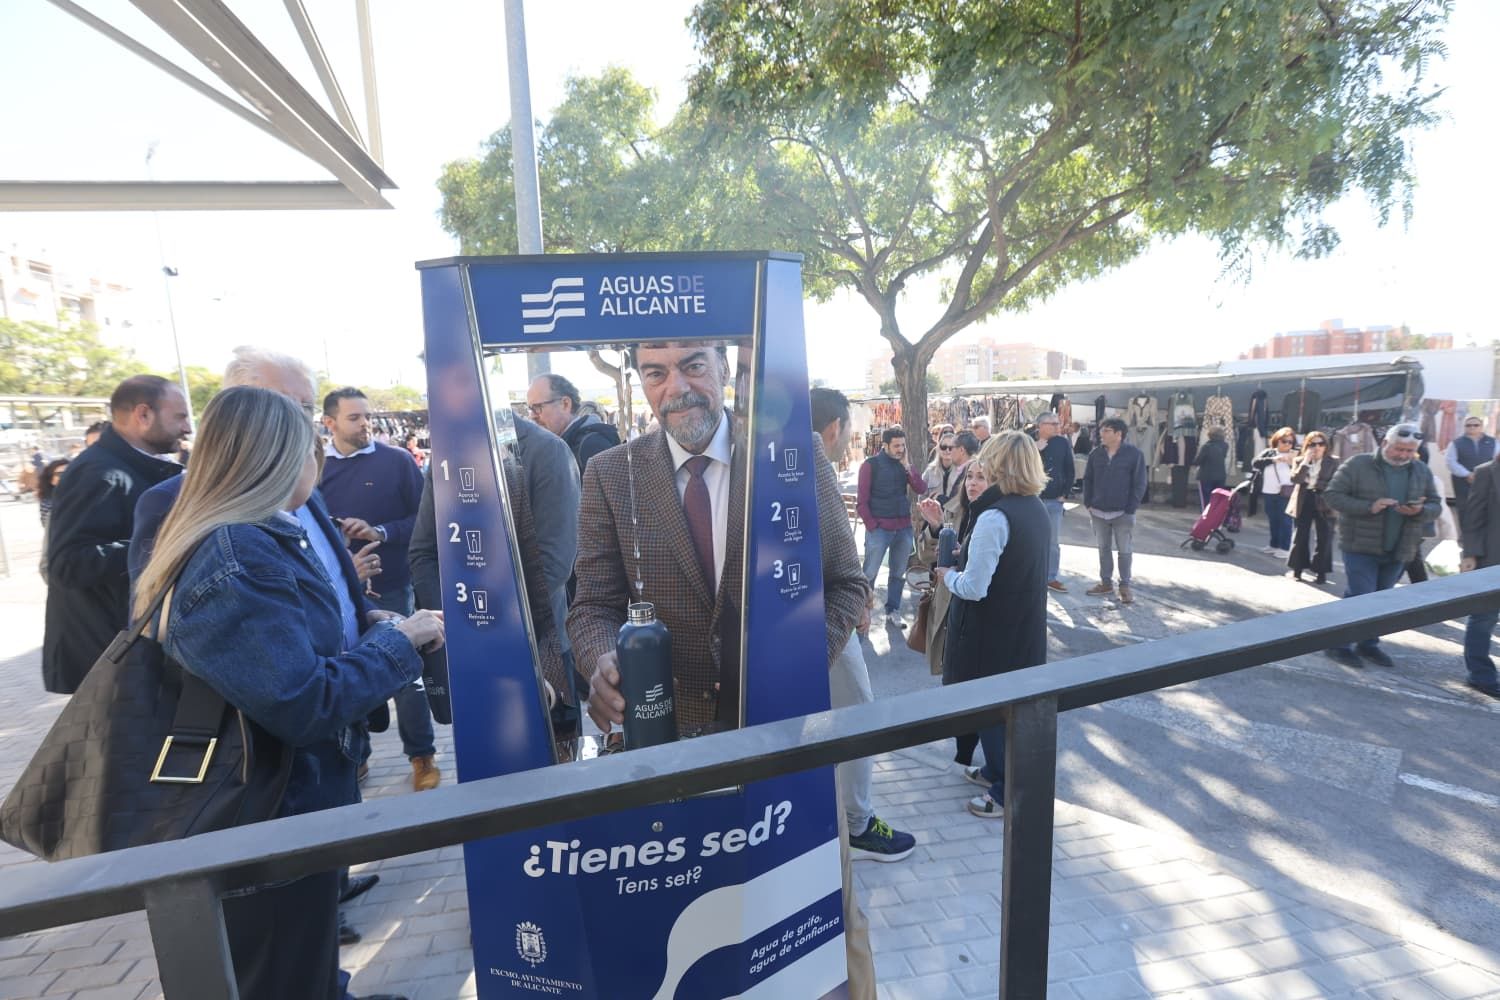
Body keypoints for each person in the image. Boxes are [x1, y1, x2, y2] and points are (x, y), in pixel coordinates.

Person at [572, 343, 876, 997]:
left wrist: (791, 671)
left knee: (819, 931)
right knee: (687, 941)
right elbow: (591, 605)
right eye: (656, 373)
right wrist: (601, 659)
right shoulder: (607, 473)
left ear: (726, 368)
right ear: (640, 383)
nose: (676, 387)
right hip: (668, 756)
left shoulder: (791, 460)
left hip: (787, 745)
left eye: (693, 366)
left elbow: (847, 586)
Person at [131, 386, 440, 1000]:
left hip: (286, 799)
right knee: (283, 965)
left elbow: (289, 647)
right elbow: (302, 701)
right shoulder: (236, 549)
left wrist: (364, 626)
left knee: (304, 953)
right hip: (269, 805)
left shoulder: (250, 533)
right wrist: (400, 643)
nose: (321, 462)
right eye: (313, 447)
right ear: (275, 457)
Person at [809, 387, 915, 863]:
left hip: (809, 612)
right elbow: (837, 554)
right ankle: (855, 822)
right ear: (834, 428)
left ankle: (838, 815)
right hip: (823, 614)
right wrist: (857, 602)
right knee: (857, 711)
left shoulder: (771, 462)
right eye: (848, 428)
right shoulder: (813, 467)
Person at [319, 387, 437, 792]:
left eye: (367, 416)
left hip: (392, 587)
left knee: (405, 673)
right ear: (329, 423)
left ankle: (422, 755)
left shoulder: (398, 462)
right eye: (354, 417)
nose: (365, 423)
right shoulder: (315, 468)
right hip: (337, 593)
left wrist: (380, 532)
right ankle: (358, 757)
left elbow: (425, 520)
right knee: (346, 670)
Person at [42, 375, 189, 694]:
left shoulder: (132, 468)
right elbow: (68, 564)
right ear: (143, 415)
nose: (188, 427)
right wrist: (165, 543)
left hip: (123, 650)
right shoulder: (100, 474)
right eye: (180, 416)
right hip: (107, 656)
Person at [935, 433, 1050, 818]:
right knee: (1004, 713)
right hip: (1022, 630)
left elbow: (973, 586)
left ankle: (1005, 792)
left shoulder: (995, 516)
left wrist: (947, 574)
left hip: (989, 638)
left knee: (992, 715)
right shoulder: (1034, 508)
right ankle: (995, 772)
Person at [1322, 422, 1441, 669]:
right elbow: (1332, 495)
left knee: (1381, 600)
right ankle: (1339, 645)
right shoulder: (1358, 464)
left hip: (1400, 548)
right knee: (1362, 598)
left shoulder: (1420, 470)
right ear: (1385, 443)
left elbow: (1436, 505)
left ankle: (1368, 644)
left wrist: (1420, 510)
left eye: (1410, 451)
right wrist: (1370, 506)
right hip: (1360, 546)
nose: (1404, 455)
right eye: (1399, 449)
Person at [856, 427, 929, 628]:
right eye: (896, 446)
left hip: (903, 528)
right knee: (869, 573)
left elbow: (921, 488)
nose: (900, 449)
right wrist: (872, 526)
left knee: (898, 574)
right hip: (879, 529)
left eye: (903, 445)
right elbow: (861, 502)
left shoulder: (903, 465)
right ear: (885, 445)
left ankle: (893, 610)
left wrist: (907, 466)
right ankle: (863, 613)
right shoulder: (870, 465)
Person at [1082, 417, 1146, 605]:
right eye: (1101, 430)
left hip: (1122, 513)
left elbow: (1140, 483)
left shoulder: (1134, 454)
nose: (1101, 433)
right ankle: (1105, 583)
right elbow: (1088, 480)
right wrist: (1088, 503)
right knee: (1103, 549)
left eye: (1107, 430)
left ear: (1119, 434)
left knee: (1124, 551)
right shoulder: (1096, 454)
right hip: (1098, 511)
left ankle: (1125, 586)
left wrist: (1130, 508)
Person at [1457, 455, 1500, 699]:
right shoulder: (1487, 472)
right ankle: (1480, 674)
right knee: (1483, 618)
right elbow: (1473, 517)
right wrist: (1470, 554)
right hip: (1492, 558)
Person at [526, 372, 621, 474]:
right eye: (530, 409)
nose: (532, 416)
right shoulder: (561, 444)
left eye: (537, 407)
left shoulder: (592, 444)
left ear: (565, 404)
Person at [1286, 432, 1339, 584]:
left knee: (1325, 537)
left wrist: (1317, 484)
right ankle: (1297, 569)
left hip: (1325, 500)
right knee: (1300, 536)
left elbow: (1336, 483)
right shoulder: (1300, 459)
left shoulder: (1333, 462)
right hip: (1304, 499)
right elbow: (1296, 479)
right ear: (1307, 446)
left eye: (1320, 444)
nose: (1317, 447)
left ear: (1326, 446)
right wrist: (1306, 462)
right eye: (1312, 444)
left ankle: (1321, 572)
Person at [1036, 412, 1075, 592]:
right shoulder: (1028, 442)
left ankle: (1050, 577)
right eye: (1053, 424)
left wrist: (1065, 493)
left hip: (1054, 500)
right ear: (1041, 425)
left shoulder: (1062, 442)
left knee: (1052, 542)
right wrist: (1036, 449)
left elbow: (1070, 469)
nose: (1057, 427)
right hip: (1032, 500)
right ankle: (1032, 575)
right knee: (1030, 541)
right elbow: (1018, 466)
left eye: (1058, 424)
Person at [1253, 427, 1297, 557]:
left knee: (1285, 520)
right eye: (1284, 441)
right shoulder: (1269, 452)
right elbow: (1255, 463)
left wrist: (1291, 462)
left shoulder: (1294, 454)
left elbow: (1301, 470)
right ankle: (1274, 544)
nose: (1287, 444)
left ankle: (1285, 547)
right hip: (1269, 491)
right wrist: (1273, 460)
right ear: (1277, 441)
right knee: (1273, 519)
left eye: (1290, 442)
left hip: (1286, 492)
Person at [1446, 416, 1495, 515]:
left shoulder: (1494, 442)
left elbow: (1496, 461)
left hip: (1486, 481)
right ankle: (1465, 530)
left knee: (1485, 509)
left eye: (1476, 425)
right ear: (1464, 427)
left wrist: (1484, 475)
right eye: (1468, 425)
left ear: (1481, 427)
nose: (1472, 427)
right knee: (1465, 508)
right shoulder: (1456, 443)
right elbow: (1450, 461)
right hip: (1463, 481)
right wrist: (1467, 474)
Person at [36, 458, 69, 580]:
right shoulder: (49, 502)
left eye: (69, 471)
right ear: (51, 479)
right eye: (60, 473)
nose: (65, 476)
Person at [1193, 426, 1230, 509]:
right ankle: (1215, 516)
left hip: (1206, 476)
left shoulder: (1206, 447)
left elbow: (1198, 460)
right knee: (1217, 498)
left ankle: (1206, 516)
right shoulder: (1225, 446)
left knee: (1206, 499)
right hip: (1220, 475)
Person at [923, 430, 960, 498]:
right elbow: (922, 494)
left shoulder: (961, 471)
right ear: (939, 448)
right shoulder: (930, 470)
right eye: (944, 447)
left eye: (951, 448)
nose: (947, 450)